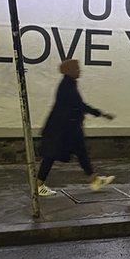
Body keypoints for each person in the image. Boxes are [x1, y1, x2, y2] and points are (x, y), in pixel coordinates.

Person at [36, 59, 116, 196]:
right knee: (51, 155)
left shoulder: (68, 84)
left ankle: (95, 180)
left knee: (79, 152)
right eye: (77, 68)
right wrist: (101, 114)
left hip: (66, 127)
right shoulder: (67, 86)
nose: (80, 71)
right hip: (64, 129)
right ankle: (38, 186)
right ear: (70, 71)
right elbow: (80, 105)